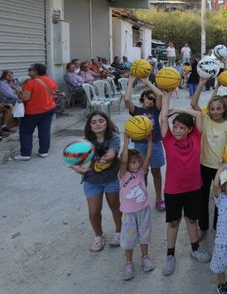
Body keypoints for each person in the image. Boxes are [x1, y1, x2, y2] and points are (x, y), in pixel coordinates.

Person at [159, 91, 209, 276]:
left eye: (181, 127)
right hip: (173, 189)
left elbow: (199, 115)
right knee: (173, 222)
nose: (177, 130)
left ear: (188, 129)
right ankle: (170, 255)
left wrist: (179, 110)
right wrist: (167, 97)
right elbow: (164, 119)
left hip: (194, 187)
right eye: (175, 127)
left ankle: (195, 249)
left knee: (191, 220)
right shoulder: (168, 139)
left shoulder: (196, 137)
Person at [68, 111, 122, 251]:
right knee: (93, 212)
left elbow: (112, 153)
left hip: (111, 178)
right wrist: (78, 168)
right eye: (93, 122)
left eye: (101, 121)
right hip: (92, 180)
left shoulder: (114, 138)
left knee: (115, 207)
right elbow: (80, 161)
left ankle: (119, 232)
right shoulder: (85, 141)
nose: (97, 124)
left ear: (107, 123)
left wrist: (108, 157)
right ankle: (98, 236)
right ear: (89, 126)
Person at [191, 79, 227, 238]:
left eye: (219, 109)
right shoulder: (204, 120)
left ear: (224, 109)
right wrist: (200, 83)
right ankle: (203, 226)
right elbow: (194, 104)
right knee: (202, 199)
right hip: (204, 165)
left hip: (221, 168)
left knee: (221, 199)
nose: (215, 111)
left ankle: (218, 226)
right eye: (212, 109)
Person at [124, 74, 166, 211]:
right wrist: (131, 81)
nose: (152, 101)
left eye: (153, 100)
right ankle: (143, 197)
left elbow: (159, 95)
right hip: (140, 145)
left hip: (155, 144)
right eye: (149, 98)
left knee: (156, 172)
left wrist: (147, 81)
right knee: (143, 172)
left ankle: (159, 199)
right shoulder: (136, 111)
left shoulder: (155, 110)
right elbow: (126, 98)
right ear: (142, 99)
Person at [118, 133, 154, 281]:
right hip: (128, 213)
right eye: (133, 162)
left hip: (143, 209)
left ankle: (145, 257)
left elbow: (148, 157)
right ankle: (129, 262)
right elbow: (124, 160)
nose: (137, 164)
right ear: (126, 164)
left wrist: (150, 141)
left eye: (138, 161)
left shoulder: (140, 172)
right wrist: (126, 144)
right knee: (129, 238)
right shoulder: (122, 174)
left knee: (144, 235)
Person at [14, 64, 57, 161]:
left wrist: (18, 91)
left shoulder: (30, 83)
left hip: (32, 112)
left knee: (26, 132)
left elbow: (25, 98)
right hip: (49, 108)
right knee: (45, 130)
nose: (28, 72)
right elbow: (53, 90)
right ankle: (44, 151)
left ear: (36, 71)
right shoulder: (49, 79)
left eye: (30, 70)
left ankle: (25, 154)